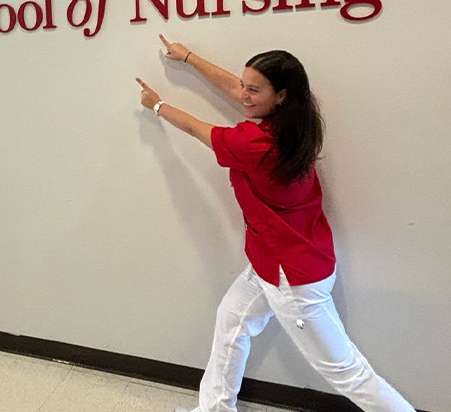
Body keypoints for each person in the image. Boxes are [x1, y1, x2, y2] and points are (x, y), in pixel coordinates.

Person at [137, 35, 415, 412]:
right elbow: (235, 89)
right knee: (232, 323)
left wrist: (158, 105)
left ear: (280, 95)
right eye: (245, 86)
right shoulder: (297, 123)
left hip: (292, 278)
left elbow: (193, 128)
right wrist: (187, 58)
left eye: (254, 90)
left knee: (348, 373)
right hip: (277, 259)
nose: (243, 95)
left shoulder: (255, 143)